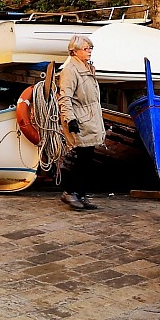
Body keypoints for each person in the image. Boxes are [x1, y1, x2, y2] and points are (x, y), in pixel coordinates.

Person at [55, 35, 106, 212]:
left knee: (87, 158)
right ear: (74, 51)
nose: (89, 51)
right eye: (86, 48)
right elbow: (65, 97)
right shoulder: (70, 70)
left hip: (90, 118)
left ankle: (81, 193)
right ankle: (70, 191)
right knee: (79, 157)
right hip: (80, 119)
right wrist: (70, 119)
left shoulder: (88, 68)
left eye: (90, 48)